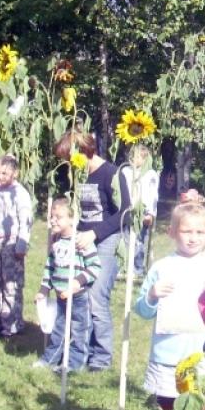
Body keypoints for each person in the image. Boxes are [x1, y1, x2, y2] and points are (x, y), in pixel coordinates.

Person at [134, 199, 205, 410]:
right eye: (187, 231)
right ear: (172, 232)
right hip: (167, 356)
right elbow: (142, 310)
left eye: (199, 232)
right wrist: (152, 295)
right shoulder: (161, 268)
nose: (193, 238)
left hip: (203, 356)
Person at [53, 131, 129, 372]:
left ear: (84, 151)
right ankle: (80, 353)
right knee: (80, 297)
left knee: (96, 298)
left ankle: (101, 358)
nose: (69, 165)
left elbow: (126, 212)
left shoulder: (111, 174)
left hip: (106, 240)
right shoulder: (77, 173)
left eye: (71, 158)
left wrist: (95, 234)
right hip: (81, 241)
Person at [33, 198, 100, 372]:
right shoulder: (55, 242)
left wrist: (77, 282)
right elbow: (50, 268)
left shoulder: (81, 241)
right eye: (52, 216)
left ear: (72, 219)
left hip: (79, 297)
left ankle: (74, 364)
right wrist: (44, 290)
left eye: (59, 217)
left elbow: (95, 266)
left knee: (80, 330)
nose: (53, 220)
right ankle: (50, 360)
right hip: (61, 297)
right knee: (59, 329)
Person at [0, 155, 33, 337]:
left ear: (15, 173)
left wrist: (22, 244)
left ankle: (11, 324)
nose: (0, 176)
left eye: (4, 173)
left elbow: (26, 220)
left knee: (11, 285)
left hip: (11, 243)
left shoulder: (19, 193)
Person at [120, 143, 159, 278]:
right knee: (125, 239)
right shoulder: (125, 171)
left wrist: (151, 214)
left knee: (139, 241)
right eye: (132, 155)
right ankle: (124, 267)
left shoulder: (150, 174)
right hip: (127, 211)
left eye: (137, 157)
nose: (133, 159)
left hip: (143, 212)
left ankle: (137, 269)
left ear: (144, 159)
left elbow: (153, 195)